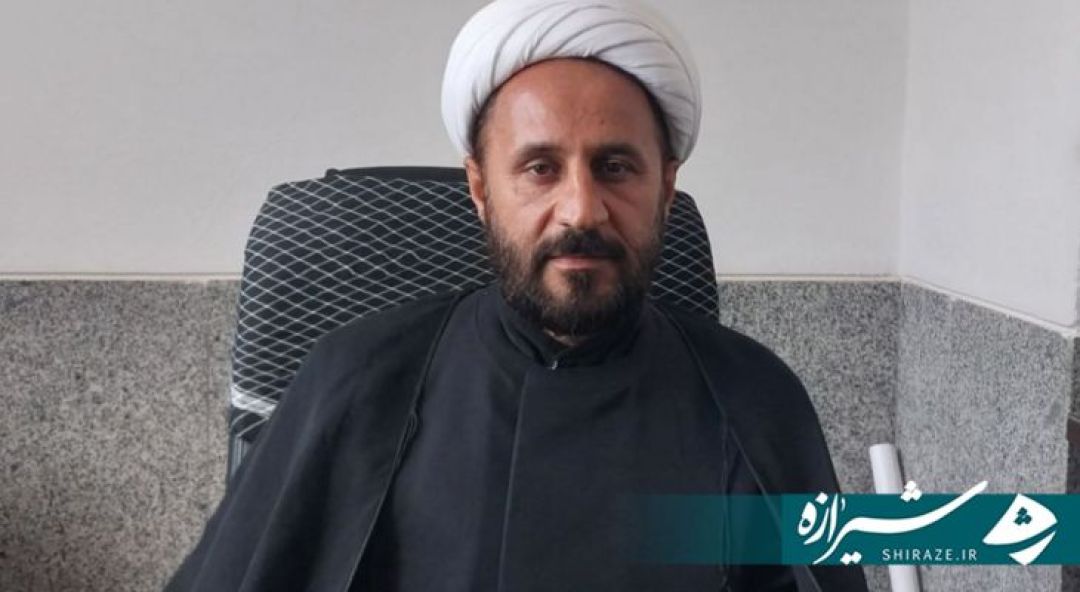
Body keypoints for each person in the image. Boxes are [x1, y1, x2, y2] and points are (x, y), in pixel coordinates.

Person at [167, 1, 868, 590]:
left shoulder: (757, 400)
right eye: (540, 168)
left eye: (615, 167)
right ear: (480, 188)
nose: (581, 209)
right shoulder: (355, 378)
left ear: (666, 186)